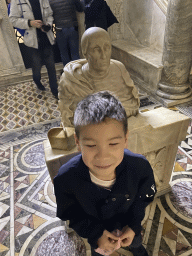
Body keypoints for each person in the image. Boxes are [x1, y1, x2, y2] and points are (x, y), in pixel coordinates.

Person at [54, 91, 156, 256]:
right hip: (97, 230)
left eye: (113, 143)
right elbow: (70, 212)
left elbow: (142, 199)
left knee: (135, 241)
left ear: (125, 139)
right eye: (91, 145)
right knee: (101, 252)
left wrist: (134, 226)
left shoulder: (140, 168)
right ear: (78, 142)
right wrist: (96, 233)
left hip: (129, 225)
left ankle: (136, 247)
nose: (103, 156)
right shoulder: (66, 179)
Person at [58, 27, 140, 128]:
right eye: (96, 49)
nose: (103, 55)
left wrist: (102, 116)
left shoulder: (119, 69)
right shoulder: (71, 81)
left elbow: (133, 104)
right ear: (85, 52)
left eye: (107, 48)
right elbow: (70, 120)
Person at [9, 0, 58, 99]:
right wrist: (30, 23)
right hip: (32, 42)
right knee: (36, 67)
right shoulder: (17, 1)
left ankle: (55, 90)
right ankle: (37, 81)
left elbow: (50, 14)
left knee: (51, 66)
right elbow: (13, 19)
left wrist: (48, 24)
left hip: (46, 38)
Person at [49, 0, 84, 67]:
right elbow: (80, 9)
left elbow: (50, 16)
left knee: (64, 53)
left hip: (60, 29)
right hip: (72, 27)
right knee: (75, 53)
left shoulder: (50, 1)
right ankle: (77, 72)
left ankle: (67, 73)